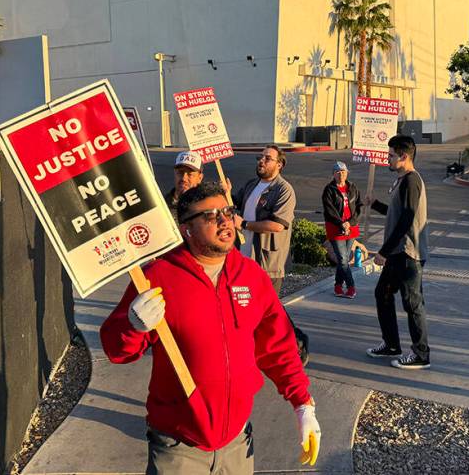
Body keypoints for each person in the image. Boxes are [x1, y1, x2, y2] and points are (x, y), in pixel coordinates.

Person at [101, 182, 321, 473]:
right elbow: (117, 351)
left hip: (238, 442)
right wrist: (132, 326)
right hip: (178, 447)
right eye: (209, 215)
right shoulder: (158, 277)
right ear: (186, 229)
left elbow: (278, 346)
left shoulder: (251, 275)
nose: (224, 220)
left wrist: (302, 403)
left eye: (227, 211)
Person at [365, 135, 431, 369]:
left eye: (391, 155)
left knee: (412, 303)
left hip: (407, 254)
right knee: (382, 294)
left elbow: (406, 219)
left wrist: (383, 251)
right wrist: (375, 204)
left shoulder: (412, 181)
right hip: (397, 253)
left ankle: (421, 355)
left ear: (404, 156)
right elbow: (395, 214)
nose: (388, 159)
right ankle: (391, 344)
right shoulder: (402, 180)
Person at [232, 145, 296, 294]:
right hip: (244, 257)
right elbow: (234, 202)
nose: (261, 161)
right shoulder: (251, 185)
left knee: (267, 310)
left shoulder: (284, 190)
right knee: (245, 306)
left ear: (279, 164)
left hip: (267, 264)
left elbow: (277, 226)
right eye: (260, 158)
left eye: (267, 159)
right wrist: (225, 192)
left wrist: (244, 224)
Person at [321, 161, 363, 298]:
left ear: (347, 173)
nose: (341, 174)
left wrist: (349, 223)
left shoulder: (352, 188)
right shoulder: (329, 190)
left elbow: (359, 207)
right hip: (336, 228)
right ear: (333, 174)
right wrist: (341, 224)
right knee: (344, 259)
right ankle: (351, 287)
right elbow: (329, 211)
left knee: (342, 260)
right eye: (338, 172)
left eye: (343, 171)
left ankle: (338, 285)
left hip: (351, 228)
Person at [164, 151, 204, 223]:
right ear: (175, 174)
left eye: (190, 174)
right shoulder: (162, 205)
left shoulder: (207, 205)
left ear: (200, 178)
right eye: (180, 172)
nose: (183, 178)